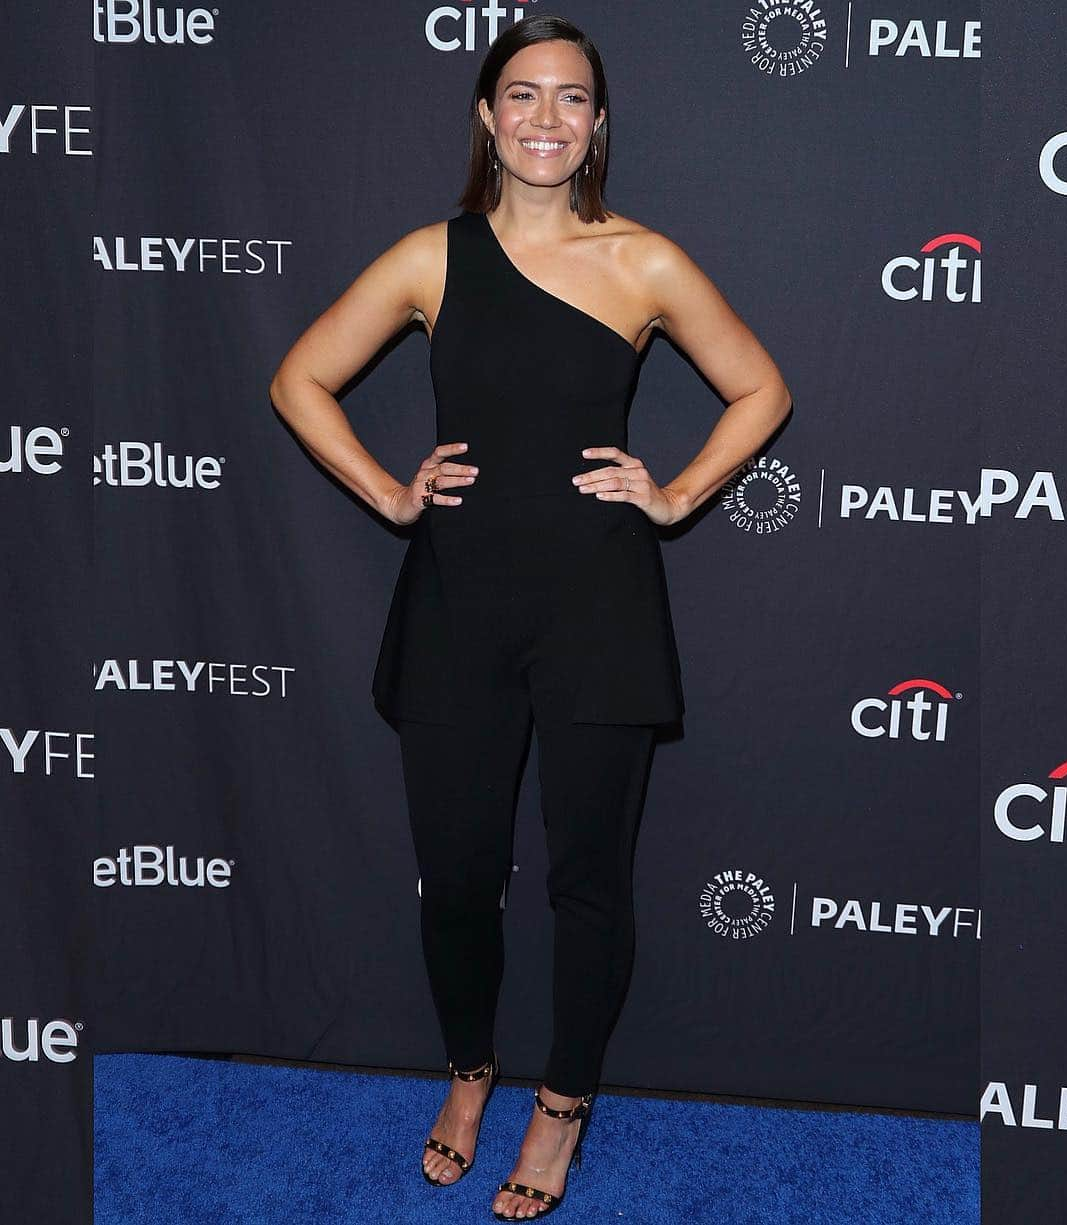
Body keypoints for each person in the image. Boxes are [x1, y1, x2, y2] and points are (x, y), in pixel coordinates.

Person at [269, 14, 791, 1219]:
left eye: (571, 99)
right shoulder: (428, 259)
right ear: (487, 118)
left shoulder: (644, 263)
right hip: (459, 604)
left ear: (598, 124)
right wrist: (391, 493)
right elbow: (299, 377)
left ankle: (562, 1104)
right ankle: (468, 1073)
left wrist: (673, 495)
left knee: (588, 878)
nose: (546, 118)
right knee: (457, 875)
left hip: (598, 606)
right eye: (522, 95)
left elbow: (763, 387)